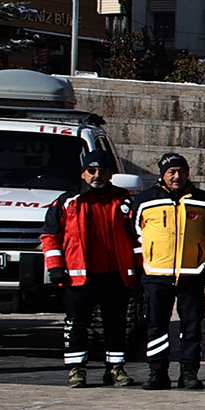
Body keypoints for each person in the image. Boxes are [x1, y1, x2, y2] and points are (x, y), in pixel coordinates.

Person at [43, 155, 139, 387]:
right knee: (77, 324)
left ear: (110, 174)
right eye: (92, 171)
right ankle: (77, 370)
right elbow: (50, 237)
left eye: (102, 171)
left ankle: (115, 369)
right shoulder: (68, 201)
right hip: (78, 277)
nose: (97, 176)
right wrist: (55, 268)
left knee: (116, 325)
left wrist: (138, 270)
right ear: (83, 173)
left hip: (116, 276)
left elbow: (138, 238)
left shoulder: (124, 201)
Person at [133, 152, 205, 390]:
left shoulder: (204, 201)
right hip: (157, 275)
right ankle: (157, 372)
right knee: (156, 326)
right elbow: (135, 233)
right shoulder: (145, 200)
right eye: (171, 172)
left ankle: (189, 372)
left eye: (181, 171)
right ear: (162, 174)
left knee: (192, 325)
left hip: (191, 275)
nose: (177, 176)